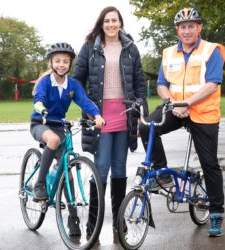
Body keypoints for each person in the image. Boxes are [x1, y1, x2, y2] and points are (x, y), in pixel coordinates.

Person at [139, 7, 225, 237]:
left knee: (209, 164)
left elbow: (213, 83)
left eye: (192, 26)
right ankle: (163, 174)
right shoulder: (168, 53)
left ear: (199, 28)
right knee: (146, 126)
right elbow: (161, 84)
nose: (187, 30)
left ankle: (216, 214)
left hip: (203, 113)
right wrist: (171, 103)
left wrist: (187, 103)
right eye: (183, 27)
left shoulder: (211, 50)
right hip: (175, 109)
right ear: (177, 30)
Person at [73, 6, 147, 234]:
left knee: (120, 168)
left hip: (124, 116)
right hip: (100, 117)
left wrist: (141, 112)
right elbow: (77, 82)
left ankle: (118, 222)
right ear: (101, 23)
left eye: (115, 20)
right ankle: (93, 224)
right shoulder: (90, 46)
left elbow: (139, 83)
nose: (111, 24)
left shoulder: (130, 48)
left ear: (120, 23)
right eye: (107, 21)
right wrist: (89, 110)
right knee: (101, 167)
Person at [30, 42, 105, 236]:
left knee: (68, 171)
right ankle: (39, 185)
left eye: (65, 61)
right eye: (57, 61)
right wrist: (42, 109)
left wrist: (96, 115)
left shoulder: (72, 84)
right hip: (41, 123)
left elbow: (84, 101)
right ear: (51, 62)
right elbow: (37, 100)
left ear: (70, 63)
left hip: (59, 125)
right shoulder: (45, 82)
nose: (62, 64)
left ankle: (73, 219)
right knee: (53, 141)